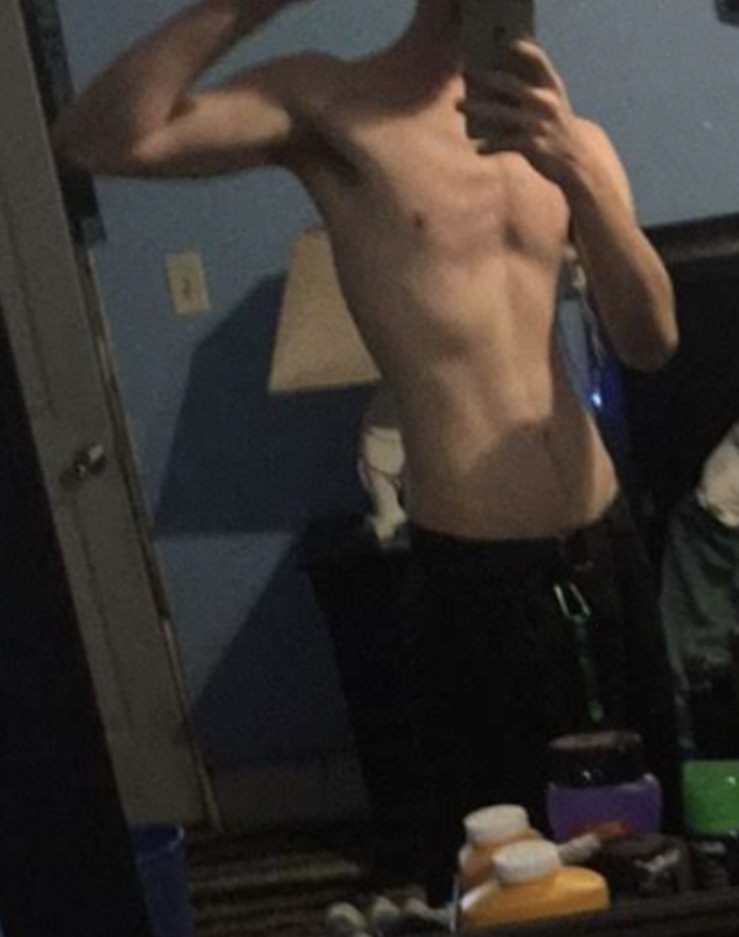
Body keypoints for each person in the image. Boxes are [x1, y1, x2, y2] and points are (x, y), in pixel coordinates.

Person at [52, 0, 681, 898]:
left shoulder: (572, 137)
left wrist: (574, 169)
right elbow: (99, 138)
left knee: (652, 855)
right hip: (473, 573)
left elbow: (650, 342)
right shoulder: (332, 108)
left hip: (603, 548)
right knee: (500, 884)